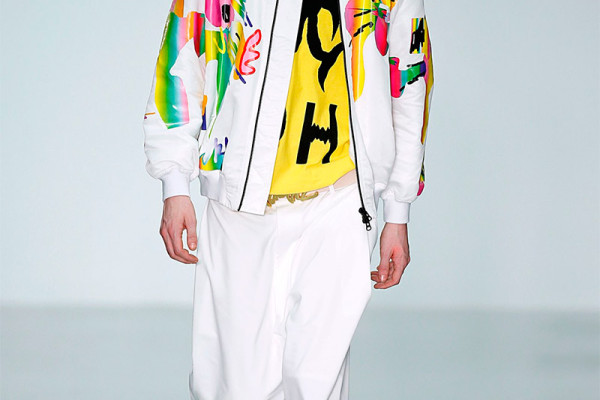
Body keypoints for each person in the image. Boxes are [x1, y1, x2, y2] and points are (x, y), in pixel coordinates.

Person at [143, 0, 434, 398]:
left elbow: (411, 74)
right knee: (234, 386)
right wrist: (174, 183)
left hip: (341, 199)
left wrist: (398, 209)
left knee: (316, 384)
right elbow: (183, 52)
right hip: (239, 205)